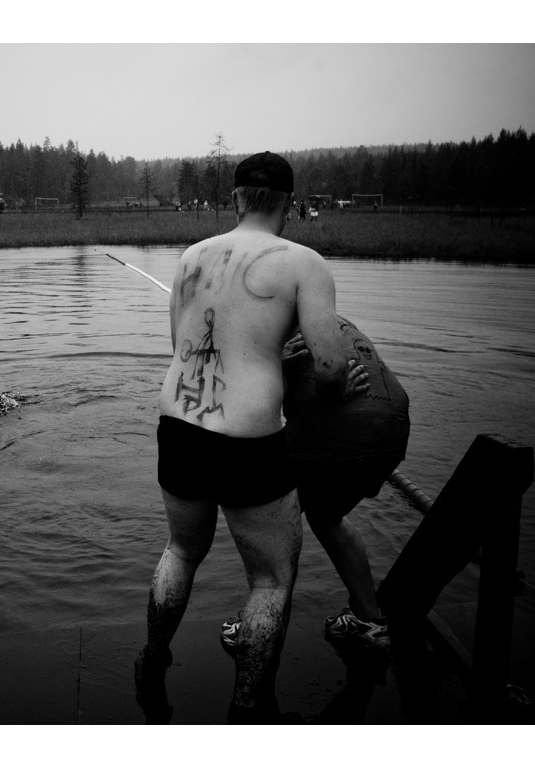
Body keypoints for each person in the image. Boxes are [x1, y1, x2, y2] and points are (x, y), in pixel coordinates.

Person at [135, 151, 350, 723]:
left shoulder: (188, 258)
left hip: (178, 423)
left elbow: (176, 347)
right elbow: (331, 368)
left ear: (234, 199)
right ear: (290, 204)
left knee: (181, 550)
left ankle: (152, 659)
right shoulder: (304, 263)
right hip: (249, 438)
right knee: (271, 579)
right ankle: (249, 702)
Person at [222, 317, 409, 653]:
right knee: (326, 515)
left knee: (272, 521)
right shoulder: (327, 316)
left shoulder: (264, 321)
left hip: (336, 428)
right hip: (392, 426)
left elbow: (251, 400)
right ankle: (369, 621)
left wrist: (269, 366)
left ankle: (261, 622)